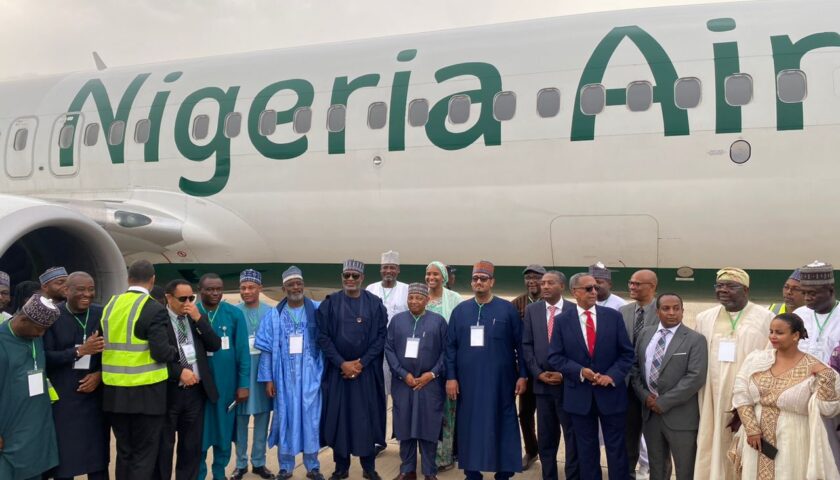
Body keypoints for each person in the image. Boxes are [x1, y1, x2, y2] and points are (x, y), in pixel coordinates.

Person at [730, 313, 840, 479]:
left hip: (793, 438)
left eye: (779, 333)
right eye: (771, 331)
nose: (773, 336)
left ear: (795, 336)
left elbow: (828, 409)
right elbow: (741, 393)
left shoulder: (816, 367)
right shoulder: (757, 359)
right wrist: (751, 429)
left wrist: (827, 378)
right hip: (756, 440)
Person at [547, 273, 635, 480]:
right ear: (575, 292)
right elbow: (555, 356)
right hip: (579, 396)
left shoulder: (613, 317)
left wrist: (611, 376)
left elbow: (627, 354)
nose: (594, 292)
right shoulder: (562, 321)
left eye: (595, 287)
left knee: (617, 448)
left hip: (611, 394)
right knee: (586, 450)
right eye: (588, 289)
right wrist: (579, 371)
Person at [445, 260, 528, 480]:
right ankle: (472, 472)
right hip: (468, 383)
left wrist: (523, 375)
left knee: (503, 423)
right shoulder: (460, 311)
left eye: (483, 278)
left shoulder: (507, 309)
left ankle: (504, 472)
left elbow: (521, 345)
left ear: (492, 282)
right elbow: (450, 347)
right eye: (475, 278)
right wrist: (451, 377)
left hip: (501, 382)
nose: (478, 282)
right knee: (470, 425)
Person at [693, 267, 774, 480]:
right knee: (711, 438)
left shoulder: (765, 318)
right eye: (719, 286)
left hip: (747, 393)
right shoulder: (704, 317)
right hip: (711, 392)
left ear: (745, 290)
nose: (723, 290)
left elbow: (769, 356)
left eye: (730, 286)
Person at [101, 260, 177, 480]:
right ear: (153, 280)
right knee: (144, 455)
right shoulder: (154, 308)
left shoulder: (111, 304)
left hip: (114, 394)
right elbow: (161, 352)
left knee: (124, 452)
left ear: (128, 279)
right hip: (147, 395)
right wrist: (174, 351)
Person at [317, 259, 388, 480]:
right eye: (346, 275)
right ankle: (341, 467)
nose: (350, 279)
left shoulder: (375, 304)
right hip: (338, 373)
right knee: (340, 419)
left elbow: (381, 337)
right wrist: (342, 363)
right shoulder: (330, 303)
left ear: (362, 278)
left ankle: (368, 467)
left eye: (355, 276)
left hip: (365, 373)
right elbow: (323, 337)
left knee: (366, 419)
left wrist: (361, 363)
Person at [256, 266, 325, 480]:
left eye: (298, 284)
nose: (295, 287)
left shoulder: (317, 309)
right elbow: (266, 350)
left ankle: (313, 466)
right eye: (291, 285)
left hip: (311, 375)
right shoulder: (273, 315)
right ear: (284, 288)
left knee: (311, 420)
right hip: (284, 376)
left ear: (303, 285)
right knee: (284, 419)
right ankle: (285, 467)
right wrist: (268, 379)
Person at [631, 293, 707, 480]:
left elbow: (695, 377)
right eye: (666, 308)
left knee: (685, 469)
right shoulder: (645, 334)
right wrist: (645, 397)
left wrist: (663, 402)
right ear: (657, 312)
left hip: (680, 417)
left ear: (682, 311)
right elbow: (635, 368)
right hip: (651, 414)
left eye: (676, 308)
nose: (672, 312)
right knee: (656, 467)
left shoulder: (695, 339)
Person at [44, 272, 109, 480]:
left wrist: (100, 374)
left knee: (98, 458)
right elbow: (45, 357)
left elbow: (115, 353)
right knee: (67, 459)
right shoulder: (53, 316)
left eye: (91, 289)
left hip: (94, 397)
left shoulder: (101, 313)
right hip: (64, 398)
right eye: (81, 289)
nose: (87, 294)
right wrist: (79, 351)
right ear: (66, 291)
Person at [155, 279, 221, 480]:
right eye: (182, 298)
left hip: (195, 393)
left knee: (191, 447)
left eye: (191, 298)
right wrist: (178, 372)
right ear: (168, 298)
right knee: (164, 447)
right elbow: (155, 356)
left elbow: (215, 344)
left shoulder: (195, 318)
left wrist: (199, 318)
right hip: (169, 392)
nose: (187, 302)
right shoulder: (159, 319)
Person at [385, 283, 448, 480]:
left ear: (427, 300)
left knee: (429, 427)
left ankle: (429, 472)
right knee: (404, 427)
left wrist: (432, 374)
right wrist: (403, 374)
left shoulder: (438, 322)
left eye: (419, 298)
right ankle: (407, 470)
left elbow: (446, 352)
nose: (414, 301)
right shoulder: (397, 321)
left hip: (430, 385)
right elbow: (389, 349)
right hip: (404, 384)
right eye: (411, 298)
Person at [522, 270, 579, 480]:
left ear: (562, 286)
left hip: (568, 385)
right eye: (543, 283)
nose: (544, 286)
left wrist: (565, 374)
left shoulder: (574, 310)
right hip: (542, 386)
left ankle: (573, 475)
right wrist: (538, 373)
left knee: (572, 435)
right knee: (546, 437)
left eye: (550, 283)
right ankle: (549, 475)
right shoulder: (532, 310)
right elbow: (527, 345)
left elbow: (580, 348)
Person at [0, 295, 61, 480]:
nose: (41, 334)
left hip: (36, 423)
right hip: (9, 427)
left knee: (34, 469)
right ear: (23, 319)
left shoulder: (33, 336)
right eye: (39, 328)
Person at [197, 273, 251, 480]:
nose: (215, 293)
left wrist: (244, 384)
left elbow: (243, 353)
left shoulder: (234, 314)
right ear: (200, 290)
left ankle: (219, 474)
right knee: (200, 435)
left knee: (224, 432)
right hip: (200, 388)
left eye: (218, 289)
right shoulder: (192, 313)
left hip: (227, 386)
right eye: (210, 289)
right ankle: (199, 474)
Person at [792, 260, 840, 460]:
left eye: (813, 293)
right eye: (804, 292)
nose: (807, 297)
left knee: (831, 454)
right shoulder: (798, 315)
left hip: (834, 399)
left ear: (830, 290)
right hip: (799, 396)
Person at [366, 250, 409, 454]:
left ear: (398, 270)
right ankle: (377, 440)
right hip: (376, 350)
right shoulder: (371, 289)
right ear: (380, 269)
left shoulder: (406, 289)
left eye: (392, 267)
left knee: (400, 396)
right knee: (378, 397)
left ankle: (402, 439)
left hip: (399, 351)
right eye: (385, 267)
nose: (388, 271)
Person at [232, 269, 274, 480]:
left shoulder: (270, 312)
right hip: (241, 373)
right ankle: (240, 464)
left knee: (262, 419)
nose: (247, 291)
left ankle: (259, 462)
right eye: (243, 288)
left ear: (260, 288)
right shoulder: (234, 312)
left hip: (262, 373)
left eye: (251, 287)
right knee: (240, 420)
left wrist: (271, 377)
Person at [618, 269, 659, 478]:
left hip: (652, 388)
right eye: (631, 283)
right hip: (626, 386)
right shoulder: (623, 311)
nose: (632, 287)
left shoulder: (663, 310)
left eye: (637, 284)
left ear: (652, 287)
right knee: (628, 437)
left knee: (655, 440)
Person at [424, 261, 462, 471]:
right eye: (428, 274)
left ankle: (445, 457)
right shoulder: (421, 297)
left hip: (446, 363)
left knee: (447, 413)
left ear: (444, 277)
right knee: (427, 412)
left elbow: (458, 332)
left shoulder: (454, 299)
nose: (431, 278)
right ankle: (428, 456)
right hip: (423, 364)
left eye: (436, 274)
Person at [510, 264, 546, 470]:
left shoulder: (551, 302)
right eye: (528, 278)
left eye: (536, 277)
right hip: (526, 368)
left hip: (548, 368)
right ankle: (532, 450)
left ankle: (549, 451)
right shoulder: (517, 303)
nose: (532, 281)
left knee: (549, 416)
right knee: (525, 413)